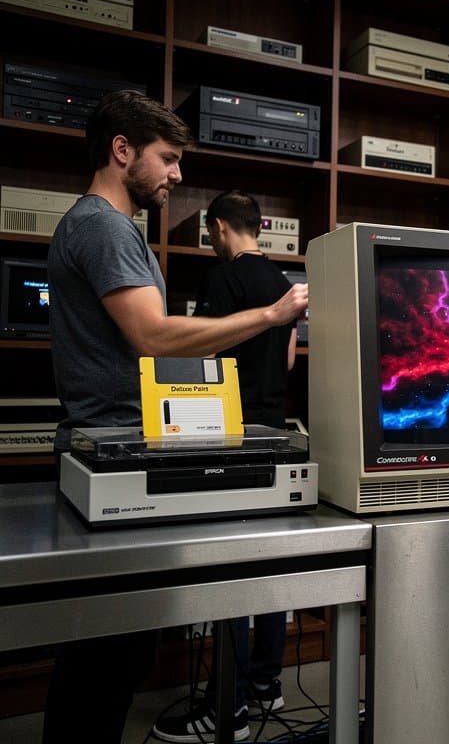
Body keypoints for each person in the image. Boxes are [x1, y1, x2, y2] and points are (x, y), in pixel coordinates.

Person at [44, 90, 308, 744]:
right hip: (108, 450)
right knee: (102, 661)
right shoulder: (102, 227)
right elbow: (155, 339)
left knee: (112, 659)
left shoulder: (110, 229)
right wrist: (272, 317)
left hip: (127, 446)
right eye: (168, 159)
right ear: (122, 150)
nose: (177, 175)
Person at [151, 190, 296, 743]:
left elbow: (199, 354)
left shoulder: (224, 280)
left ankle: (227, 707)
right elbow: (285, 356)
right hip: (276, 433)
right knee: (267, 563)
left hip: (232, 435)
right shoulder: (283, 283)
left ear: (218, 227)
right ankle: (265, 683)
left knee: (234, 567)